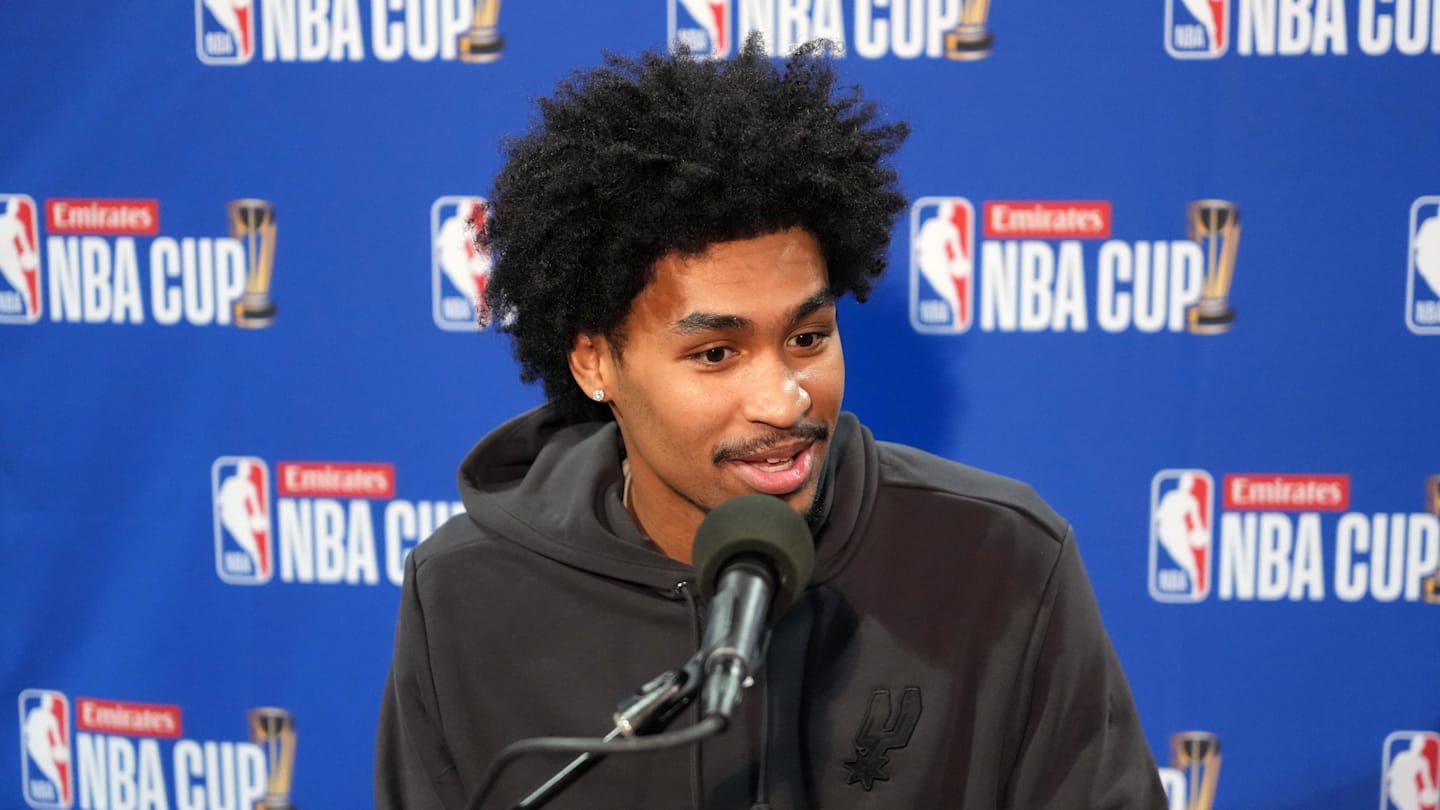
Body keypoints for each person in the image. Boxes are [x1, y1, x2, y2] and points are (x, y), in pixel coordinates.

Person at [376, 34, 1166, 810]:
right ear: (594, 363)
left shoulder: (1000, 560)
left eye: (807, 339)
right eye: (716, 354)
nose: (786, 401)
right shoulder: (465, 594)